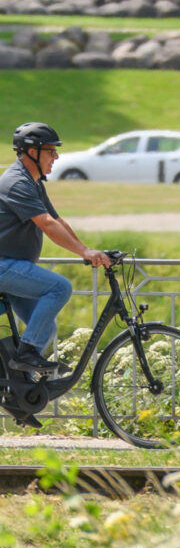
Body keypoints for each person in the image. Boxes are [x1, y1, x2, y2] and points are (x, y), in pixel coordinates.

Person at [0, 123, 110, 377]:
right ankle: (25, 356)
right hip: (5, 266)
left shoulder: (34, 182)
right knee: (60, 287)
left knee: (45, 330)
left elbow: (57, 220)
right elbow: (47, 225)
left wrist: (88, 249)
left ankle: (20, 394)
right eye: (51, 151)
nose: (56, 157)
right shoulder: (16, 182)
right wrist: (84, 253)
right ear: (32, 152)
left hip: (14, 267)